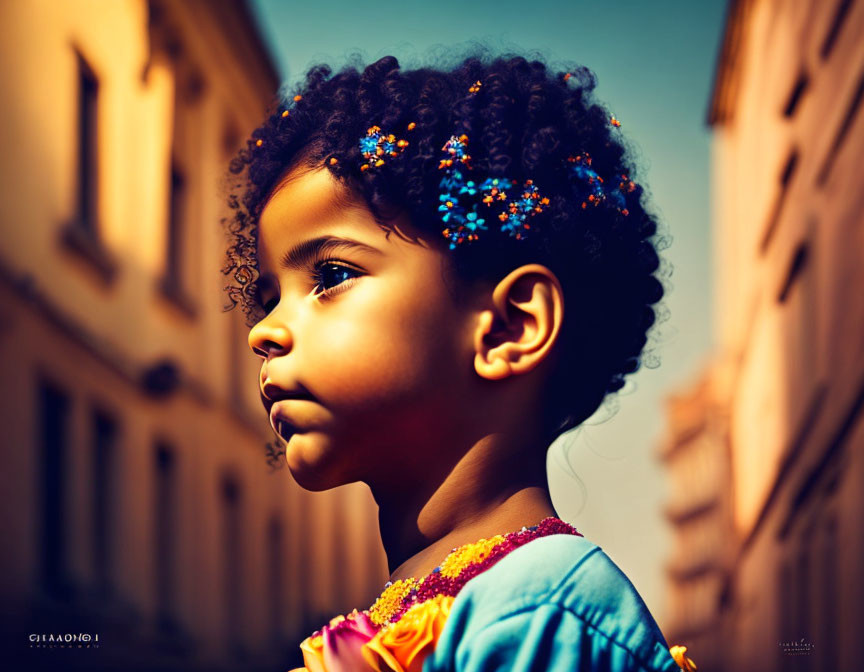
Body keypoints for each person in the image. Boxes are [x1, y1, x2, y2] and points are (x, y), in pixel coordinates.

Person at [222, 52, 698, 672]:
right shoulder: (459, 602)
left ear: (509, 327)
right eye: (266, 297)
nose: (264, 330)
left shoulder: (537, 615)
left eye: (331, 275)